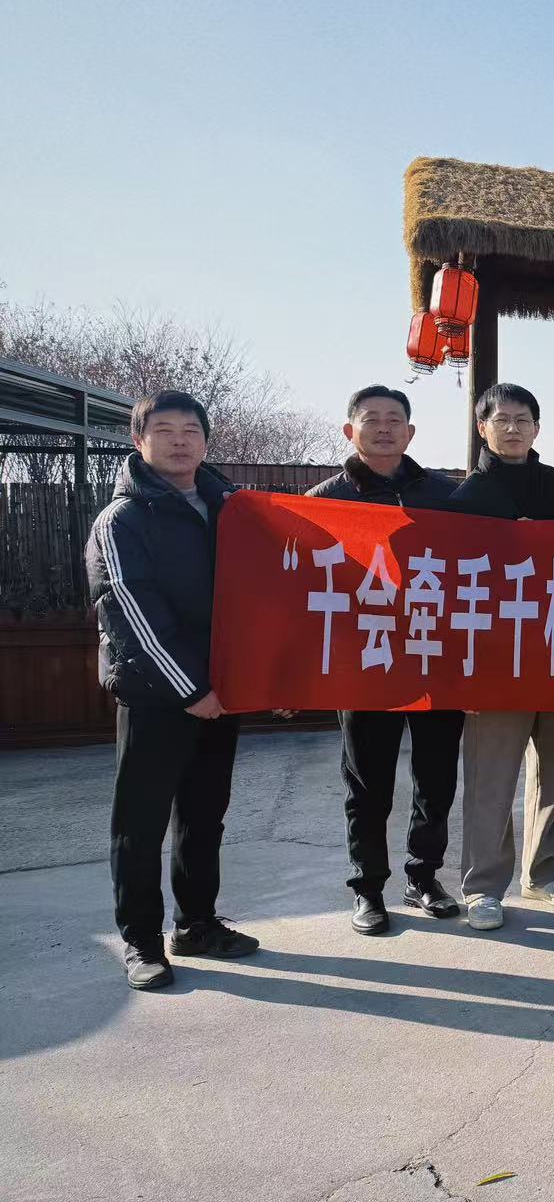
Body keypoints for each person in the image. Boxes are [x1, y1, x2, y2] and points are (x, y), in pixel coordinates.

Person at [86, 389, 261, 990]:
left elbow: (267, 593)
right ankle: (141, 941)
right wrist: (191, 688)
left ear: (206, 441)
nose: (179, 441)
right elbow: (131, 612)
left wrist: (259, 678)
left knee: (204, 816)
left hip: (221, 692)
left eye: (191, 430)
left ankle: (198, 924)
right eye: (164, 430)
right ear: (139, 441)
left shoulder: (231, 507)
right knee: (141, 823)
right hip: (156, 695)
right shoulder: (122, 519)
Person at [306, 385, 463, 935]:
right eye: (371, 419)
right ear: (350, 431)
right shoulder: (324, 500)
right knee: (367, 783)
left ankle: (423, 876)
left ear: (410, 432)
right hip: (364, 660)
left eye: (394, 419)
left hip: (432, 654)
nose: (383, 428)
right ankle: (368, 887)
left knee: (436, 779)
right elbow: (299, 582)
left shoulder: (445, 495)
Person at [450, 382, 554, 931]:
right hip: (495, 658)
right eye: (501, 419)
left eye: (523, 419)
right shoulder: (465, 499)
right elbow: (454, 582)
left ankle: (545, 871)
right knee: (492, 778)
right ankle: (483, 886)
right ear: (482, 427)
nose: (512, 428)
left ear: (537, 428)